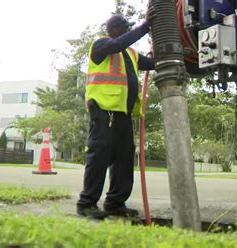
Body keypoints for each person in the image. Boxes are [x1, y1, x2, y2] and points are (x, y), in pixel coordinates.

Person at [76, 13, 155, 218]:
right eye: (124, 27)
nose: (127, 30)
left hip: (123, 115)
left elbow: (153, 63)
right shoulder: (101, 45)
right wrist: (145, 26)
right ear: (112, 30)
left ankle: (115, 203)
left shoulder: (131, 54)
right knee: (99, 156)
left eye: (128, 28)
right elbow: (118, 44)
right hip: (103, 112)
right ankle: (86, 204)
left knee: (124, 159)